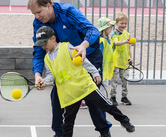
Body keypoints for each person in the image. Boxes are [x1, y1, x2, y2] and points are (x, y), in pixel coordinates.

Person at [27, 0, 112, 136]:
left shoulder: (68, 11)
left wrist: (83, 45)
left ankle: (104, 131)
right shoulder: (38, 23)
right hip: (66, 57)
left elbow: (92, 30)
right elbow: (38, 50)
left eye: (38, 12)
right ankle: (59, 133)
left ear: (49, 5)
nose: (37, 16)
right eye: (33, 13)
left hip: (88, 54)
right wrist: (37, 74)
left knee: (93, 97)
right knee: (57, 96)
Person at [36, 26, 135, 137]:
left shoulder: (67, 47)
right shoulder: (47, 59)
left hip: (85, 87)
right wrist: (44, 81)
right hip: (69, 94)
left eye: (45, 42)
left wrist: (95, 73)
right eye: (41, 44)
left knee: (106, 104)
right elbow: (51, 76)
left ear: (53, 38)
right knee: (67, 124)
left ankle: (124, 120)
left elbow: (84, 61)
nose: (43, 46)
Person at [109, 12, 133, 106]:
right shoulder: (114, 33)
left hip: (125, 61)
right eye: (121, 23)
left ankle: (124, 97)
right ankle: (113, 97)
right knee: (114, 80)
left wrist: (131, 57)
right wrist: (125, 42)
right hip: (116, 61)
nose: (123, 25)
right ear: (116, 23)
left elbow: (130, 47)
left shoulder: (127, 34)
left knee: (125, 80)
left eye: (125, 23)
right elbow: (116, 43)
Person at [98, 17, 115, 95]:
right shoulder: (101, 40)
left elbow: (110, 49)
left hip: (106, 66)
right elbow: (100, 53)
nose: (111, 29)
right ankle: (101, 103)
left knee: (104, 84)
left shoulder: (107, 39)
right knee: (102, 85)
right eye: (109, 27)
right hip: (102, 67)